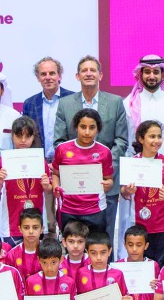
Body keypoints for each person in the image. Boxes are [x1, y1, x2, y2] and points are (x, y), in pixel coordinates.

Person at [53, 56, 129, 236]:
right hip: (73, 190)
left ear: (100, 75)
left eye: (93, 70)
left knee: (104, 238)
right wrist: (75, 172)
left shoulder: (115, 102)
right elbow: (59, 142)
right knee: (73, 240)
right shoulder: (65, 103)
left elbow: (121, 140)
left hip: (104, 184)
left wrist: (102, 170)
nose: (88, 74)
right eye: (84, 70)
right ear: (77, 76)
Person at [119, 120, 164, 266]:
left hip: (163, 222)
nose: (157, 141)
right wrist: (127, 191)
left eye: (159, 136)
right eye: (152, 136)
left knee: (162, 263)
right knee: (141, 263)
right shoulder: (132, 163)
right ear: (141, 138)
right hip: (139, 222)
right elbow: (123, 192)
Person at [51, 108, 115, 237]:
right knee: (71, 247)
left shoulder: (104, 152)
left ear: (98, 129)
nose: (87, 132)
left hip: (95, 210)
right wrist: (55, 187)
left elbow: (109, 179)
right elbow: (56, 174)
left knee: (95, 247)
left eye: (92, 127)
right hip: (68, 209)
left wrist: (108, 184)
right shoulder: (62, 149)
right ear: (76, 127)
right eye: (83, 127)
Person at [0, 116, 54, 241]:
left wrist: (47, 186)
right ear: (12, 136)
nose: (23, 140)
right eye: (19, 136)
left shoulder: (39, 160)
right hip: (11, 224)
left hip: (36, 223)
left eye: (27, 136)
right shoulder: (5, 160)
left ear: (33, 137)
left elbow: (49, 190)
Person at [124, 54, 164, 168]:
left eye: (156, 72)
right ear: (140, 74)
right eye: (147, 72)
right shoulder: (129, 104)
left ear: (162, 75)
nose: (151, 76)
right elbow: (126, 142)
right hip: (139, 172)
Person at [22, 56, 73, 159]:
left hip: (68, 159)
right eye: (43, 74)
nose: (48, 77)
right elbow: (27, 136)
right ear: (38, 78)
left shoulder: (73, 99)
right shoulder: (30, 103)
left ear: (59, 76)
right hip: (39, 162)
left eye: (52, 73)